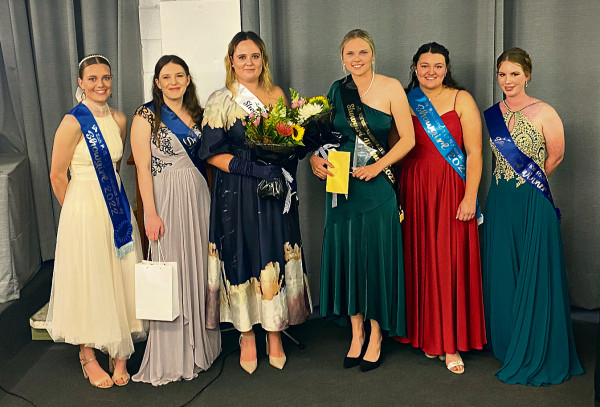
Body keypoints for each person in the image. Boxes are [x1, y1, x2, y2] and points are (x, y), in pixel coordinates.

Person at [199, 31, 312, 374]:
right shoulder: (221, 100)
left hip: (274, 189)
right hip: (237, 191)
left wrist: (293, 154)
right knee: (244, 253)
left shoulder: (277, 95)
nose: (249, 63)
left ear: (263, 60)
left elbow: (289, 140)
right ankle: (246, 334)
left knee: (274, 250)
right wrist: (251, 168)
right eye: (242, 57)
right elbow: (211, 153)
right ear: (231, 61)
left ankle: (274, 332)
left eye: (255, 56)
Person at [310, 29, 415, 372]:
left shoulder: (391, 87)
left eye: (362, 52)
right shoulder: (336, 90)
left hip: (376, 183)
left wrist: (378, 166)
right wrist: (314, 159)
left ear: (373, 54)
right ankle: (356, 333)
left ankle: (376, 335)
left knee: (375, 257)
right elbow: (322, 137)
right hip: (341, 182)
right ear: (342, 58)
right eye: (350, 54)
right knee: (349, 255)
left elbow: (408, 139)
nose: (356, 59)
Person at [482, 47, 583, 385]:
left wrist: (530, 184)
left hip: (532, 201)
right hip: (500, 201)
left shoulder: (544, 111)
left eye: (514, 74)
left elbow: (556, 156)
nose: (507, 80)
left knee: (535, 271)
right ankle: (510, 341)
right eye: (502, 74)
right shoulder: (493, 114)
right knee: (503, 270)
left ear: (527, 75)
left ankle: (536, 344)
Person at [46, 54, 145, 388]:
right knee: (89, 276)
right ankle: (87, 353)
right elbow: (57, 175)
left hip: (115, 207)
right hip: (84, 207)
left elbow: (114, 168)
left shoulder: (119, 119)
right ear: (81, 83)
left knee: (120, 273)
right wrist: (77, 214)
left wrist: (112, 208)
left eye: (106, 78)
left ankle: (120, 352)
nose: (100, 84)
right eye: (92, 78)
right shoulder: (72, 122)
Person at [394, 43, 486, 374]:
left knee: (448, 262)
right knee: (419, 258)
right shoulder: (405, 100)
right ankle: (426, 334)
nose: (430, 71)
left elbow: (474, 153)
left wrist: (470, 197)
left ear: (447, 69)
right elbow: (392, 147)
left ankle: (450, 343)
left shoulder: (462, 99)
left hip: (451, 188)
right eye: (424, 65)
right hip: (415, 188)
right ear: (415, 68)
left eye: (437, 66)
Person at [130, 55, 221, 386]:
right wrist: (150, 213)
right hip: (165, 197)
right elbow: (142, 168)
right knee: (172, 268)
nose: (173, 82)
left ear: (187, 79)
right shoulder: (145, 116)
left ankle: (202, 345)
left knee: (198, 265)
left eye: (179, 76)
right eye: (166, 77)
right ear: (157, 82)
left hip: (197, 196)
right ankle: (173, 353)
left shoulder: (198, 114)